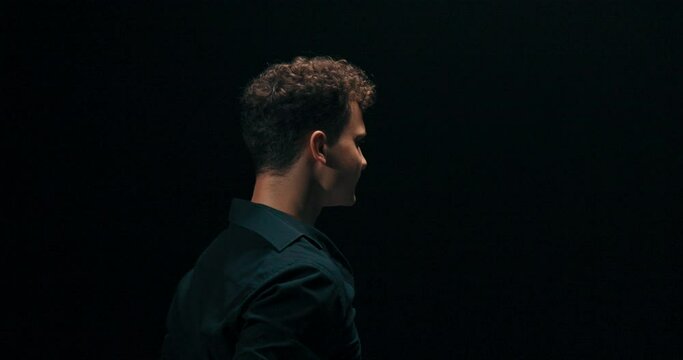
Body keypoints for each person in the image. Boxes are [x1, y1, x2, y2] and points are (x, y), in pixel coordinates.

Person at [162, 56, 375, 359]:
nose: (363, 160)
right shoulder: (303, 278)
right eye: (357, 142)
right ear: (320, 147)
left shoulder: (209, 265)